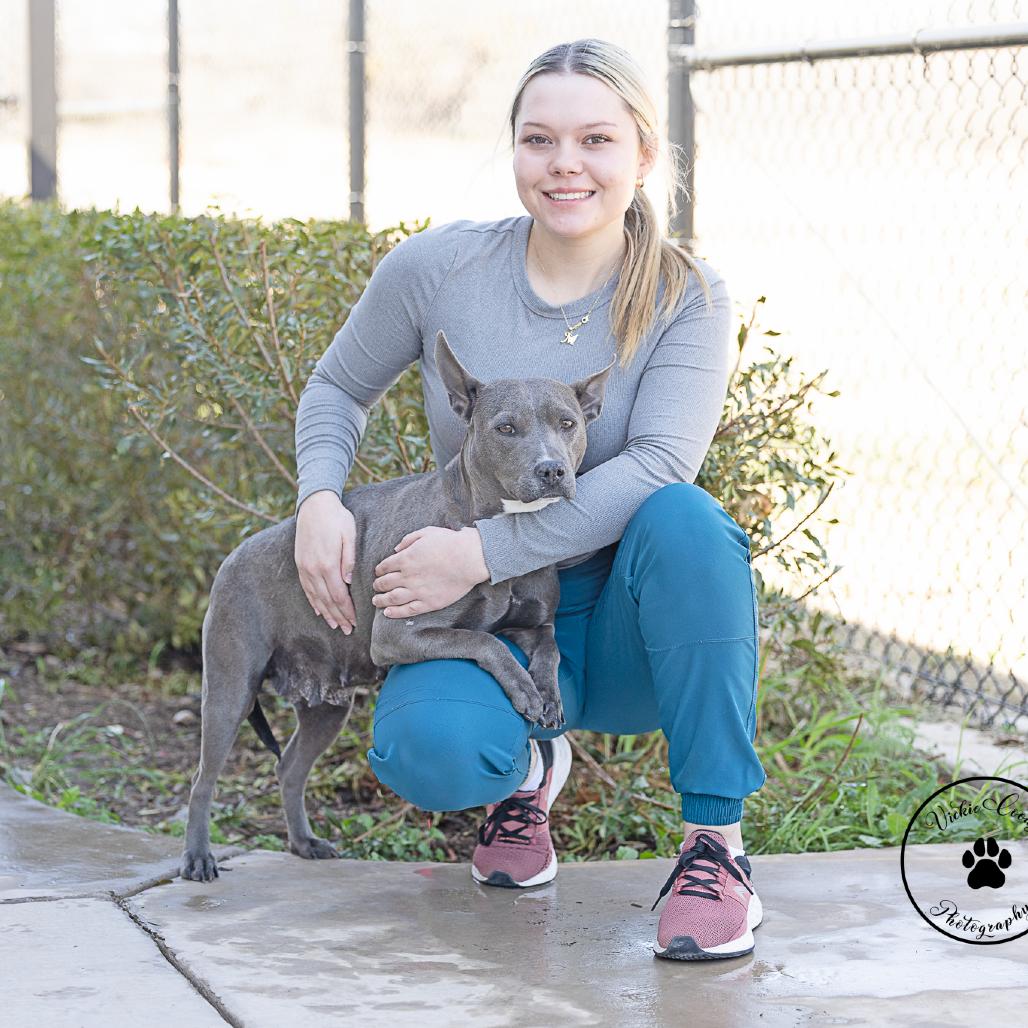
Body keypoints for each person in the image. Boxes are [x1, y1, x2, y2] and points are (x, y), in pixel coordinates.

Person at [292, 38, 767, 961]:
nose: (565, 165)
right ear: (512, 148)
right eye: (538, 139)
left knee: (690, 524)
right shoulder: (438, 272)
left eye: (595, 139)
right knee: (428, 752)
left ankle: (717, 849)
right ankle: (528, 765)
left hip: (624, 617)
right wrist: (320, 499)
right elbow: (336, 388)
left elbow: (663, 459)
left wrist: (485, 551)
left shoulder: (684, 293)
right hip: (479, 615)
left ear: (643, 156)